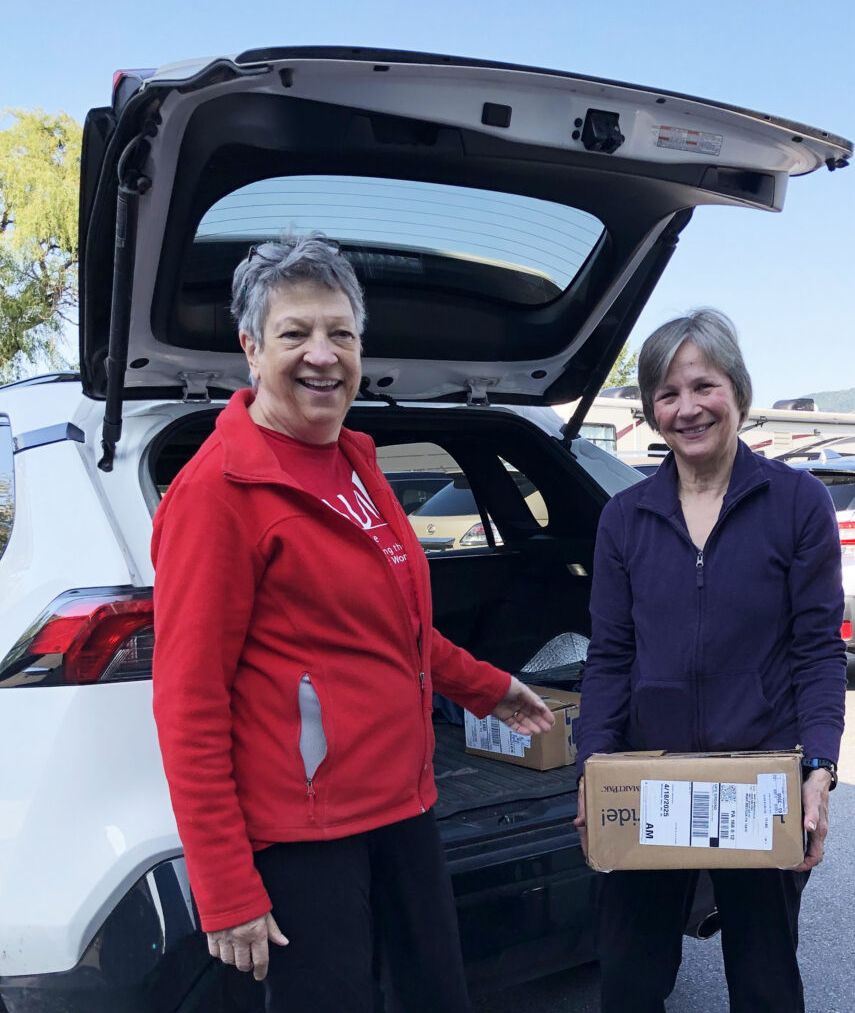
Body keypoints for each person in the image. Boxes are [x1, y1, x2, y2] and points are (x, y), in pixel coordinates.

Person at [151, 232, 554, 1013]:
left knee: (436, 997)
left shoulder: (357, 464)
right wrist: (224, 885)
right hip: (306, 833)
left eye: (340, 332)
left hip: (403, 803)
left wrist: (486, 687)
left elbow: (391, 629)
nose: (322, 354)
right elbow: (187, 704)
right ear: (250, 349)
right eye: (294, 333)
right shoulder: (217, 493)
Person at [573, 309, 846, 1013]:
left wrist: (818, 767)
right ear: (651, 410)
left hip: (759, 780)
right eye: (667, 393)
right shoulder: (625, 517)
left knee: (764, 984)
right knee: (630, 982)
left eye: (703, 386)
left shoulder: (797, 503)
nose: (687, 408)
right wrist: (592, 769)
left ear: (737, 391)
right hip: (650, 780)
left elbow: (818, 651)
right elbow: (610, 657)